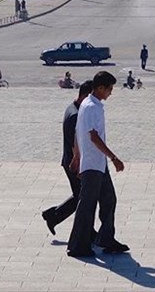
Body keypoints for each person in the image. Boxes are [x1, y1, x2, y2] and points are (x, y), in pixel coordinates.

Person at [67, 70, 129, 258]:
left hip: (95, 163)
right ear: (100, 88)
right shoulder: (92, 107)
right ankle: (78, 245)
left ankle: (106, 239)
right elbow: (93, 136)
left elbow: (79, 133)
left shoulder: (87, 104)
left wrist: (77, 157)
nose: (111, 92)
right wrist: (113, 157)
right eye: (109, 89)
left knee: (109, 199)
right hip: (94, 164)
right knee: (87, 205)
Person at [42, 82, 97, 237]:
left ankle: (53, 216)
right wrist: (78, 164)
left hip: (71, 161)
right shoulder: (75, 115)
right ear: (85, 96)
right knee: (84, 197)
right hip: (74, 163)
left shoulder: (73, 109)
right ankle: (55, 216)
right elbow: (75, 143)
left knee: (81, 196)